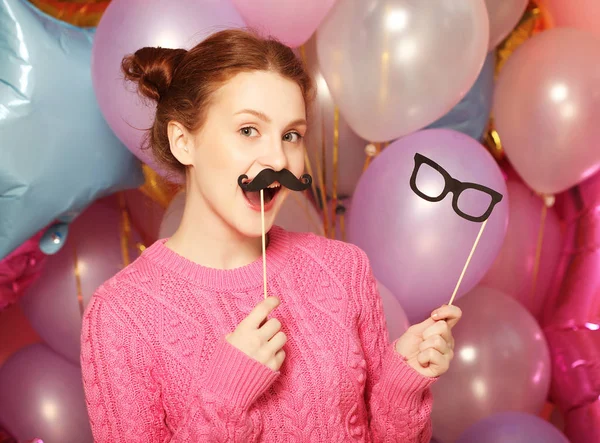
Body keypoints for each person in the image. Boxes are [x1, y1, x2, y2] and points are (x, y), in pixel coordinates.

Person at [80, 28, 461, 442]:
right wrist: (225, 397)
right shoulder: (121, 316)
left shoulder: (343, 270)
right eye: (248, 130)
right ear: (183, 141)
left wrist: (401, 384)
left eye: (291, 135)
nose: (278, 159)